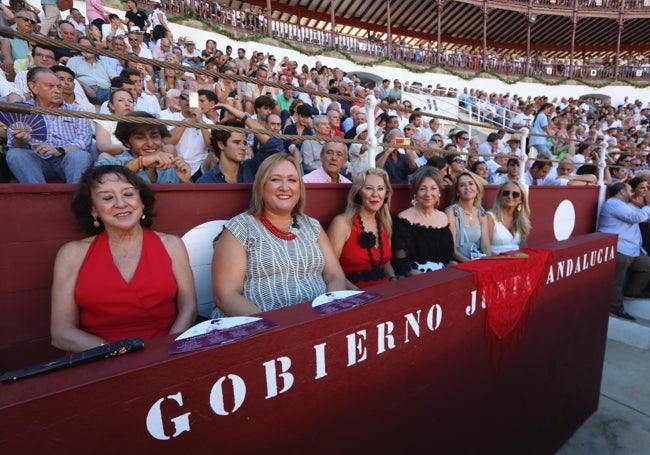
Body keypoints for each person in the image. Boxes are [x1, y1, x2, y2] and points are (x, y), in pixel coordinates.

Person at [50, 165, 196, 353]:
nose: (120, 203)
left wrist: (164, 351)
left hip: (163, 353)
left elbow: (189, 308)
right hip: (96, 358)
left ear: (142, 202)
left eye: (128, 194)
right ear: (93, 209)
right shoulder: (71, 254)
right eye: (107, 197)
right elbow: (61, 332)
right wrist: (120, 354)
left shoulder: (171, 245)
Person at [211, 153, 346, 316]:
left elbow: (335, 275)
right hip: (262, 330)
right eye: (275, 179)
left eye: (292, 180)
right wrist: (273, 329)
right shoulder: (240, 228)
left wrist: (329, 312)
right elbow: (226, 295)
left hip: (319, 323)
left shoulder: (312, 225)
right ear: (261, 185)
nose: (284, 187)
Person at [6, 67, 93, 184]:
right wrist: (21, 140)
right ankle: (38, 196)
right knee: (15, 154)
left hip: (66, 160)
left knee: (80, 156)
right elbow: (14, 145)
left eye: (59, 87)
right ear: (33, 87)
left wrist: (59, 150)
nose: (57, 91)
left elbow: (84, 143)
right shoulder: (22, 111)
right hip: (37, 161)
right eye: (50, 86)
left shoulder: (77, 111)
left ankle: (78, 198)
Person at [327, 168, 396, 288]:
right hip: (351, 295)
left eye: (380, 189)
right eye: (369, 188)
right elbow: (330, 271)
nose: (375, 194)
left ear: (386, 194)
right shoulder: (342, 223)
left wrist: (394, 280)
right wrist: (361, 295)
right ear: (358, 192)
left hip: (384, 292)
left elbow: (386, 264)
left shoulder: (385, 223)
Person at [598, 182, 650, 320]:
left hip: (632, 249)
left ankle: (631, 293)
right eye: (629, 190)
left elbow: (643, 217)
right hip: (619, 248)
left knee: (647, 265)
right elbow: (636, 217)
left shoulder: (624, 205)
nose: (632, 193)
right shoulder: (613, 204)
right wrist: (648, 206)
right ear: (621, 192)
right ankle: (615, 309)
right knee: (616, 281)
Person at [96, 111, 191, 184]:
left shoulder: (172, 170)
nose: (150, 143)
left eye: (154, 136)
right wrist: (142, 162)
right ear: (126, 142)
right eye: (140, 138)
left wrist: (186, 182)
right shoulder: (109, 164)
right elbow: (97, 180)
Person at [391, 166, 454, 275]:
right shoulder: (404, 218)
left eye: (433, 188)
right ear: (415, 191)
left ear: (439, 191)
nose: (428, 194)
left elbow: (447, 257)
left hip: (442, 276)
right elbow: (400, 261)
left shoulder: (444, 217)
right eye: (422, 188)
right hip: (415, 278)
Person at [445, 171, 490, 262]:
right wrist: (471, 264)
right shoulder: (451, 212)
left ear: (477, 189)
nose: (467, 187)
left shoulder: (481, 213)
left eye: (471, 184)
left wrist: (487, 262)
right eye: (462, 185)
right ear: (457, 192)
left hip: (477, 258)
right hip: (457, 262)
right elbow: (452, 250)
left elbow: (485, 245)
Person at [486, 180, 531, 254]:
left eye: (515, 194)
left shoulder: (521, 219)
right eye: (506, 193)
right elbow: (485, 248)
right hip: (496, 261)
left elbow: (523, 248)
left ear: (521, 199)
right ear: (499, 197)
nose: (510, 196)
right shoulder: (490, 217)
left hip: (517, 261)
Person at [94, 88, 135, 157]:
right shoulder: (104, 122)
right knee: (104, 155)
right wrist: (123, 148)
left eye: (130, 101)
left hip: (139, 159)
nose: (127, 104)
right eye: (121, 100)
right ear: (111, 105)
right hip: (116, 161)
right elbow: (102, 147)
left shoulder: (141, 121)